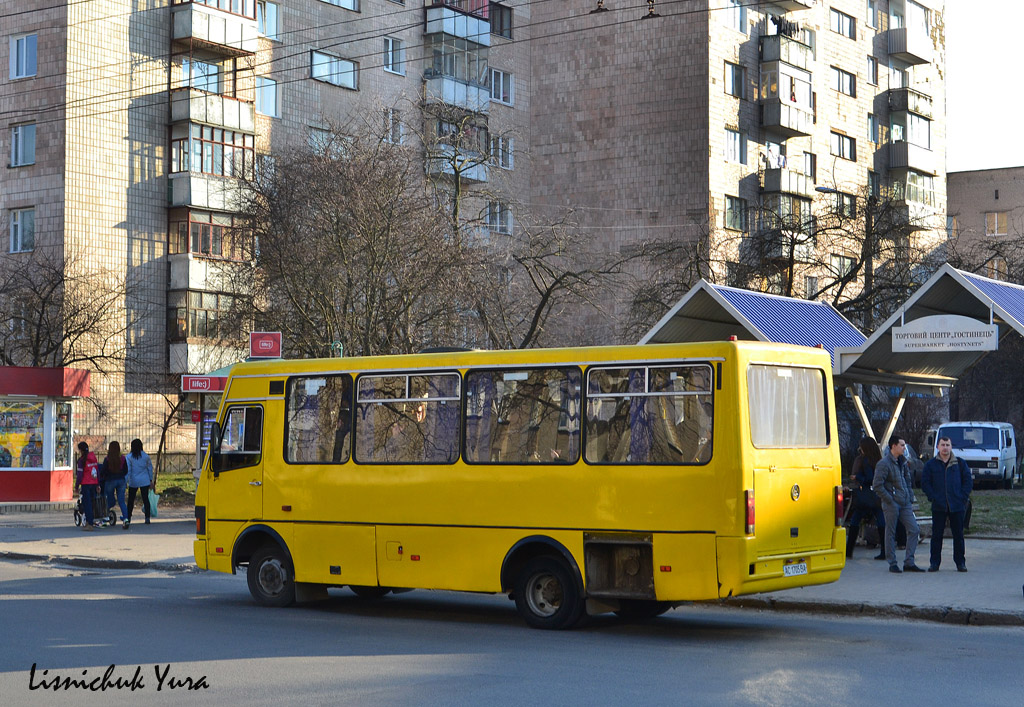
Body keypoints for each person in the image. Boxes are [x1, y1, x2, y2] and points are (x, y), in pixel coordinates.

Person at [872, 435, 925, 573]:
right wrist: (890, 499)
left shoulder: (902, 462)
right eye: (901, 445)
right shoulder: (884, 464)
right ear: (893, 446)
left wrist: (909, 495)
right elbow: (877, 485)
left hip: (905, 502)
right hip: (892, 504)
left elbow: (907, 480)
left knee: (914, 529)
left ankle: (909, 562)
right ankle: (892, 563)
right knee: (891, 532)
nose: (904, 447)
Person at [921, 436, 972, 572]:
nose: (945, 448)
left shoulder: (960, 464)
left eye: (947, 445)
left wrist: (962, 497)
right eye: (942, 445)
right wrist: (933, 497)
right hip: (939, 506)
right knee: (937, 536)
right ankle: (934, 563)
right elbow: (925, 483)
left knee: (958, 536)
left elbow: (968, 482)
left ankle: (960, 562)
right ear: (937, 447)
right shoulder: (930, 465)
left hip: (957, 505)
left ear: (951, 447)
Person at [846, 437, 887, 560]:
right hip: (877, 495)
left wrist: (857, 476)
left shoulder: (864, 461)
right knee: (881, 520)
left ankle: (849, 550)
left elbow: (869, 478)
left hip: (865, 495)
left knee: (855, 521)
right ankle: (885, 550)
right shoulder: (879, 460)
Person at [99, 441, 129, 529]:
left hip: (110, 480)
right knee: (122, 501)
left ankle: (105, 519)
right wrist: (121, 475)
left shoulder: (108, 459)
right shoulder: (122, 458)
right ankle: (126, 519)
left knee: (107, 499)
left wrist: (104, 476)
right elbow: (126, 470)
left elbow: (103, 471)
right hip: (121, 480)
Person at [125, 439, 154, 528]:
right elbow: (150, 469)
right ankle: (147, 517)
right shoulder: (146, 456)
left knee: (131, 500)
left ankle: (128, 517)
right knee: (145, 499)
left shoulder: (129, 457)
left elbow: (128, 470)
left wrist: (126, 481)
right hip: (144, 480)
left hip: (133, 480)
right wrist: (150, 480)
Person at [75, 442, 100, 531]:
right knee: (92, 504)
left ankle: (89, 523)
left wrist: (76, 486)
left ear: (81, 450)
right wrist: (98, 484)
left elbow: (80, 474)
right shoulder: (93, 458)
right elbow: (97, 471)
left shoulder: (82, 460)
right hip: (94, 483)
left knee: (87, 504)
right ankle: (91, 521)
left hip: (86, 484)